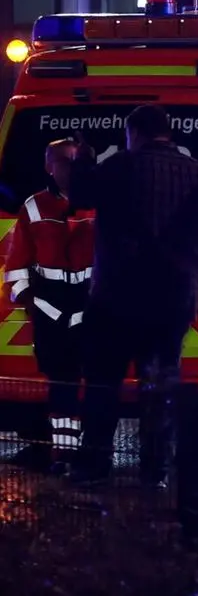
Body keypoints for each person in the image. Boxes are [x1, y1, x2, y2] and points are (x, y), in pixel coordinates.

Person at [73, 105, 198, 487]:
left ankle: (95, 465)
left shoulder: (118, 168)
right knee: (158, 388)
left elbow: (79, 195)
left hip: (116, 297)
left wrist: (83, 159)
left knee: (103, 385)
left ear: (135, 133)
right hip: (173, 301)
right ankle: (155, 470)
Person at [3, 139, 93, 471]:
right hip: (50, 310)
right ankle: (64, 455)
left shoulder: (102, 203)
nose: (68, 169)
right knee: (61, 386)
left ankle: (95, 454)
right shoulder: (34, 207)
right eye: (62, 162)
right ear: (49, 167)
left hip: (92, 309)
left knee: (98, 385)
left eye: (74, 162)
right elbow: (17, 264)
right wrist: (31, 303)